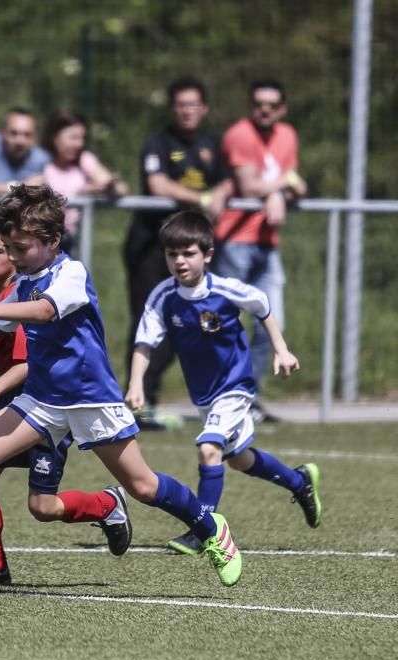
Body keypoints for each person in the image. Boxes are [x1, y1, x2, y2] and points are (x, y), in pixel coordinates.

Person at [0, 185, 243, 588]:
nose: (12, 257)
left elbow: (44, 311)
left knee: (143, 486)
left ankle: (211, 529)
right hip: (42, 399)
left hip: (89, 399)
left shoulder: (71, 273)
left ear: (52, 240)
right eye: (8, 248)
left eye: (20, 247)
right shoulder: (27, 278)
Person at [0, 209, 131, 586]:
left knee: (40, 506)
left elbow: (29, 362)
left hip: (43, 402)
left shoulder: (27, 294)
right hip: (19, 403)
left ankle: (108, 504)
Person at [126, 211, 322, 554]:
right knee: (239, 459)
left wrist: (281, 349)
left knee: (208, 448)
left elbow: (262, 306)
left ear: (208, 255)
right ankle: (299, 481)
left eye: (188, 253)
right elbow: (145, 341)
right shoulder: (163, 296)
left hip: (235, 386)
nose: (180, 261)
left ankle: (204, 530)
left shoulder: (225, 290)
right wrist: (135, 383)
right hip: (205, 395)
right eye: (173, 254)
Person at [123, 76, 233, 429]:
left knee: (181, 324)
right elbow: (158, 185)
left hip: (187, 250)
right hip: (150, 248)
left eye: (193, 104)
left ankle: (142, 401)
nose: (187, 110)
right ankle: (137, 402)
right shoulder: (157, 143)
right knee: (148, 321)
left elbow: (230, 179)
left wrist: (222, 191)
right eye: (181, 104)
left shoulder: (213, 144)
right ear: (173, 109)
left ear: (204, 108)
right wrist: (202, 198)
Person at [213, 80, 306, 423]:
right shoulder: (240, 133)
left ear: (282, 108)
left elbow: (293, 178)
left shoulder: (287, 135)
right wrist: (279, 190)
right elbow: (250, 184)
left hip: (268, 244)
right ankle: (220, 395)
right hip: (236, 241)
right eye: (258, 103)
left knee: (272, 324)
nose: (264, 110)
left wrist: (283, 190)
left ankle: (249, 397)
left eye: (271, 105)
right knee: (225, 323)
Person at [42, 109, 127, 252]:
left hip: (70, 241)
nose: (79, 144)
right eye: (73, 137)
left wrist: (106, 187)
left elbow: (120, 188)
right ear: (54, 137)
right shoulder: (41, 161)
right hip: (41, 239)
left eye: (82, 138)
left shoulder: (84, 160)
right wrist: (80, 191)